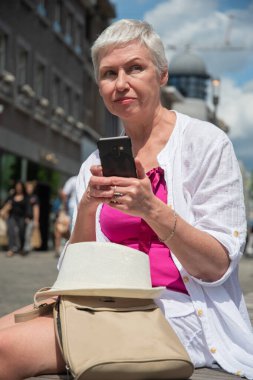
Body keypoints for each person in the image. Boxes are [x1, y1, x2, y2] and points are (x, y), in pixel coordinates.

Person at [0, 19, 252, 380]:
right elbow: (75, 274)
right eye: (108, 73)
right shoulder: (95, 164)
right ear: (99, 86)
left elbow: (216, 267)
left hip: (179, 314)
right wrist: (87, 207)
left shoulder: (206, 144)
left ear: (162, 75)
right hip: (106, 305)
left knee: (6, 351)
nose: (121, 84)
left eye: (135, 68)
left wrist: (151, 209)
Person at [0, 180, 27, 257]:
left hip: (21, 217)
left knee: (21, 232)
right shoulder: (11, 196)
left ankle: (21, 248)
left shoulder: (25, 197)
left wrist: (28, 217)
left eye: (20, 187)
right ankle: (11, 249)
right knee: (11, 231)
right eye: (17, 186)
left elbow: (28, 208)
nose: (18, 188)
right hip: (12, 216)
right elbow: (6, 205)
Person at [23, 181, 40, 254]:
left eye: (30, 188)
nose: (29, 189)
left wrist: (36, 220)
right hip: (25, 219)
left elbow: (36, 209)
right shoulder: (25, 197)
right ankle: (26, 247)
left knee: (28, 233)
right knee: (26, 233)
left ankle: (26, 248)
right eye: (28, 188)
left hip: (31, 219)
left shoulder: (34, 197)